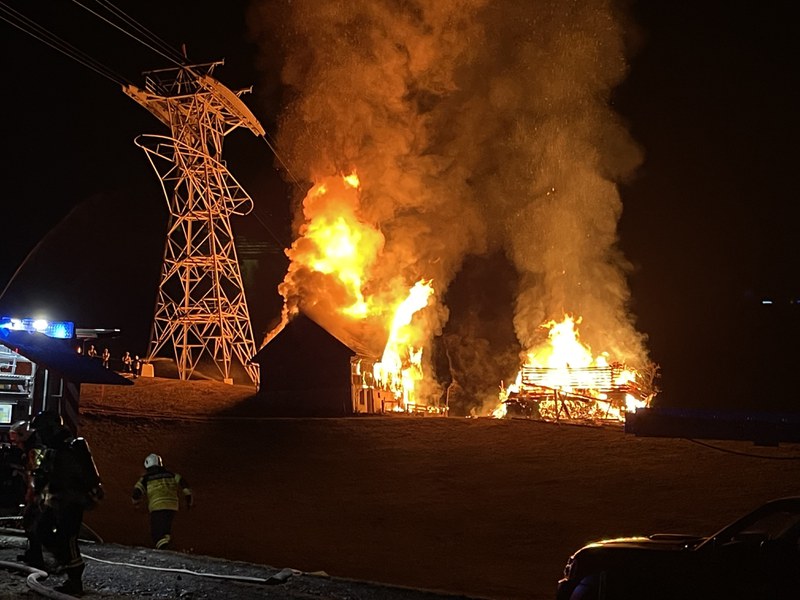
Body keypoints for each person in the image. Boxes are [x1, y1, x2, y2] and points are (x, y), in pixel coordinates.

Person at [23, 411, 104, 595]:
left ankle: (74, 579)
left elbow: (86, 475)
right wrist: (36, 491)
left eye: (42, 430)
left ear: (51, 428)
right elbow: (45, 473)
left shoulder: (72, 447)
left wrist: (92, 490)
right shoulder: (54, 450)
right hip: (56, 501)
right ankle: (64, 562)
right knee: (41, 530)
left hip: (72, 501)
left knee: (68, 539)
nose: (40, 435)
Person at [131, 453, 193, 550]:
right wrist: (188, 500)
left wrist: (136, 503)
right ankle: (169, 545)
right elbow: (184, 484)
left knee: (156, 535)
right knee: (165, 530)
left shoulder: (146, 478)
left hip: (157, 507)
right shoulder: (172, 475)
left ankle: (167, 551)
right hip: (172, 507)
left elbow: (136, 493)